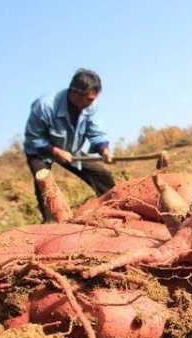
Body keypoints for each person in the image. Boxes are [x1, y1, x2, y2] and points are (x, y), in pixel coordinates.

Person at [23, 68, 116, 223]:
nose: (92, 103)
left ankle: (114, 208)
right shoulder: (44, 106)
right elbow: (34, 137)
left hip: (70, 149)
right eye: (89, 99)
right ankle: (51, 222)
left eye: (94, 99)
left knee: (102, 176)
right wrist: (55, 151)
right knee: (45, 185)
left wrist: (103, 149)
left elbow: (95, 130)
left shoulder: (90, 106)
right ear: (75, 93)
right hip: (40, 150)